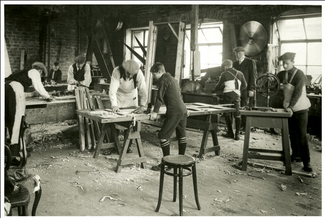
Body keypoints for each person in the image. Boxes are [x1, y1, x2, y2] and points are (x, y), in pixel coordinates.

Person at [5, 62, 54, 165]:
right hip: (14, 89)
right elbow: (38, 86)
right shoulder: (35, 72)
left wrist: (31, 94)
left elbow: (17, 89)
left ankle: (8, 149)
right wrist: (47, 96)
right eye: (41, 75)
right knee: (17, 120)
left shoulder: (22, 74)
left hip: (5, 89)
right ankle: (14, 154)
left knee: (8, 120)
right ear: (40, 71)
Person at [276, 52, 312, 172]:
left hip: (300, 108)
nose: (285, 66)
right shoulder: (283, 74)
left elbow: (297, 93)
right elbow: (275, 82)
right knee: (292, 133)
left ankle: (307, 162)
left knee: (302, 135)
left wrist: (290, 107)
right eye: (283, 64)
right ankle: (296, 155)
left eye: (287, 63)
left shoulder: (299, 74)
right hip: (289, 109)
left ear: (293, 62)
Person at [149, 62, 188, 171]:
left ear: (160, 72)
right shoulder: (172, 78)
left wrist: (154, 112)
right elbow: (179, 95)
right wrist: (185, 108)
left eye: (154, 74)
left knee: (163, 135)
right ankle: (182, 162)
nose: (154, 77)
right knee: (181, 135)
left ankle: (167, 164)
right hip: (182, 110)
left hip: (175, 111)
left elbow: (159, 97)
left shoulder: (163, 80)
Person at [215, 59, 247, 140]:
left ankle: (230, 133)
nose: (224, 68)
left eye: (224, 67)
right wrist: (238, 90)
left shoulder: (224, 74)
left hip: (227, 96)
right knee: (237, 114)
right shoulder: (240, 73)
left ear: (226, 66)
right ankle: (237, 135)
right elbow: (245, 85)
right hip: (237, 96)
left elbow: (218, 86)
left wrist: (214, 90)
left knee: (227, 114)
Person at [233, 46, 257, 130]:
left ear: (243, 53)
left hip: (246, 89)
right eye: (236, 53)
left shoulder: (250, 62)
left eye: (239, 53)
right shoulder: (235, 64)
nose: (238, 55)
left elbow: (253, 76)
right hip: (237, 89)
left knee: (245, 107)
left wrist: (251, 89)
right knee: (237, 107)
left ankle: (246, 126)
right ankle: (239, 126)